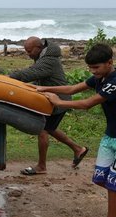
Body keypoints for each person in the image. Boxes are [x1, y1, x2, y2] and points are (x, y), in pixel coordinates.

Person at [37, 44, 116, 217]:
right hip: (111, 136)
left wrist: (58, 102)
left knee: (114, 184)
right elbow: (72, 88)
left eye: (96, 67)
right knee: (102, 178)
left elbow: (87, 104)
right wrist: (44, 88)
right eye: (90, 68)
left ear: (109, 63)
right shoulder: (100, 77)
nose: (93, 72)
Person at [9, 36, 89, 175]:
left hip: (59, 101)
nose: (27, 54)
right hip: (55, 99)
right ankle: (78, 149)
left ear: (39, 48)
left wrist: (8, 78)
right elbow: (38, 77)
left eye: (29, 51)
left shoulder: (48, 60)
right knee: (50, 129)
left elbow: (30, 74)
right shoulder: (44, 57)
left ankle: (41, 166)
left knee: (43, 130)